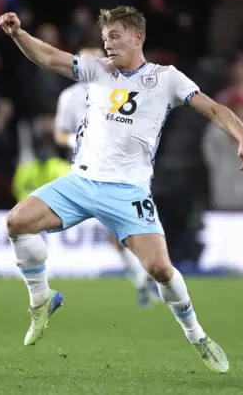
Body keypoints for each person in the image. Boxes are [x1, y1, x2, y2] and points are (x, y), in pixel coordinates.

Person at [0, 6, 243, 373]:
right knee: (16, 222)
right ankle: (41, 301)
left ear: (138, 37)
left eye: (116, 37)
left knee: (160, 269)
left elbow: (215, 110)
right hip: (81, 181)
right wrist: (17, 34)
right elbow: (48, 57)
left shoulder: (166, 78)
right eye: (105, 38)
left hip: (128, 191)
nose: (108, 45)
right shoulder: (96, 70)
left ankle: (197, 335)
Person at [54, 45, 161, 308]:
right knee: (116, 232)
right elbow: (59, 133)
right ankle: (143, 279)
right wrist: (76, 140)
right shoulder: (69, 97)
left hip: (124, 170)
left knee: (128, 229)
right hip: (89, 171)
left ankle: (146, 278)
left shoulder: (119, 90)